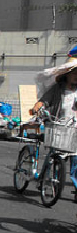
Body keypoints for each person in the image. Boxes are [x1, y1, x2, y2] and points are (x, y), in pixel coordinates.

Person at [31, 56, 77, 201]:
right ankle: (47, 178)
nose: (76, 76)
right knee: (54, 155)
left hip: (74, 129)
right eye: (74, 73)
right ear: (66, 74)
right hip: (58, 127)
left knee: (76, 160)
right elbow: (44, 101)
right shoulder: (57, 89)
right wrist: (37, 107)